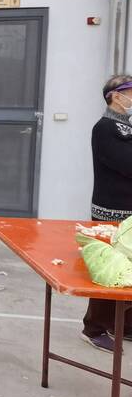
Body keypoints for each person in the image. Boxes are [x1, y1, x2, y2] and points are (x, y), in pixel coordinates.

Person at [81, 75, 132, 352]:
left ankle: (124, 324)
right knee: (109, 270)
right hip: (112, 210)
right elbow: (125, 164)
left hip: (129, 212)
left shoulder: (127, 128)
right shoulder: (105, 128)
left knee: (129, 270)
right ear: (116, 95)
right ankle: (94, 327)